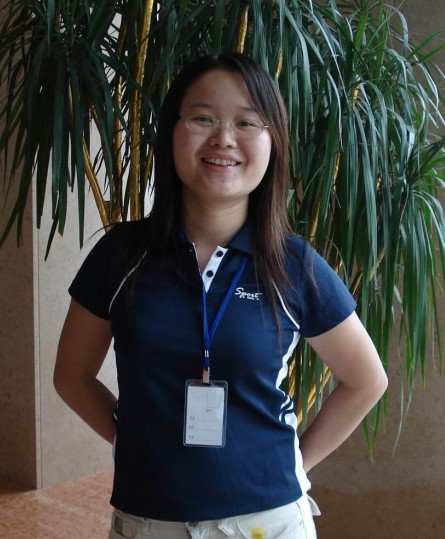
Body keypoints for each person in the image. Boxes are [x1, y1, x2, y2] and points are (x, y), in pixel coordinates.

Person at [54, 52, 388, 539]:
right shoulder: (121, 254)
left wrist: (292, 463)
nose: (224, 138)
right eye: (203, 118)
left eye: (246, 122)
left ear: (272, 140)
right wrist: (136, 443)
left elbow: (366, 380)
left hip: (268, 521)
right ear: (172, 132)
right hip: (148, 520)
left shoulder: (293, 264)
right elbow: (72, 377)